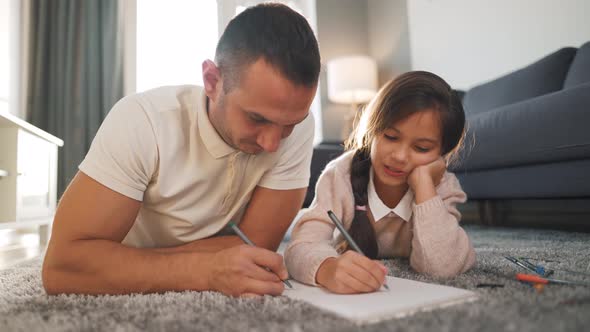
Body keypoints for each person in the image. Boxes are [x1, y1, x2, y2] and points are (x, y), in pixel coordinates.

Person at [42, 3, 320, 297]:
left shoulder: (299, 128)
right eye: (257, 118)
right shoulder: (143, 121)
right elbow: (62, 267)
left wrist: (127, 263)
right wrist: (205, 270)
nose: (272, 144)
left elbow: (256, 247)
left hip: (127, 262)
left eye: (289, 124)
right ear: (212, 81)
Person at [285, 71, 476, 294]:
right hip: (317, 223)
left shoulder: (443, 186)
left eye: (421, 148)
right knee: (295, 226)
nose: (400, 156)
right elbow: (299, 248)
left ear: (442, 153)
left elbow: (443, 266)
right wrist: (327, 268)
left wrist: (425, 186)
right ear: (372, 129)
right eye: (391, 137)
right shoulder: (340, 175)